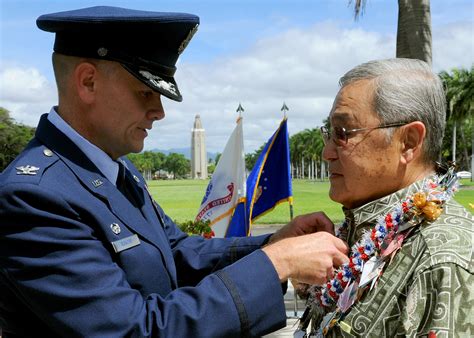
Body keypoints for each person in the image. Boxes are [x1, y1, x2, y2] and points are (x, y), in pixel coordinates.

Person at [0, 6, 349, 338]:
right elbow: (135, 329)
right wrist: (275, 264)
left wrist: (273, 243)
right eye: (145, 92)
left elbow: (177, 253)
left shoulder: (114, 170)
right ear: (88, 82)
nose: (159, 111)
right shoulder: (33, 197)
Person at [297, 58, 473, 337]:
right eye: (329, 134)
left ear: (409, 142)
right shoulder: (360, 229)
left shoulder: (440, 258)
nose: (326, 152)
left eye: (343, 133)